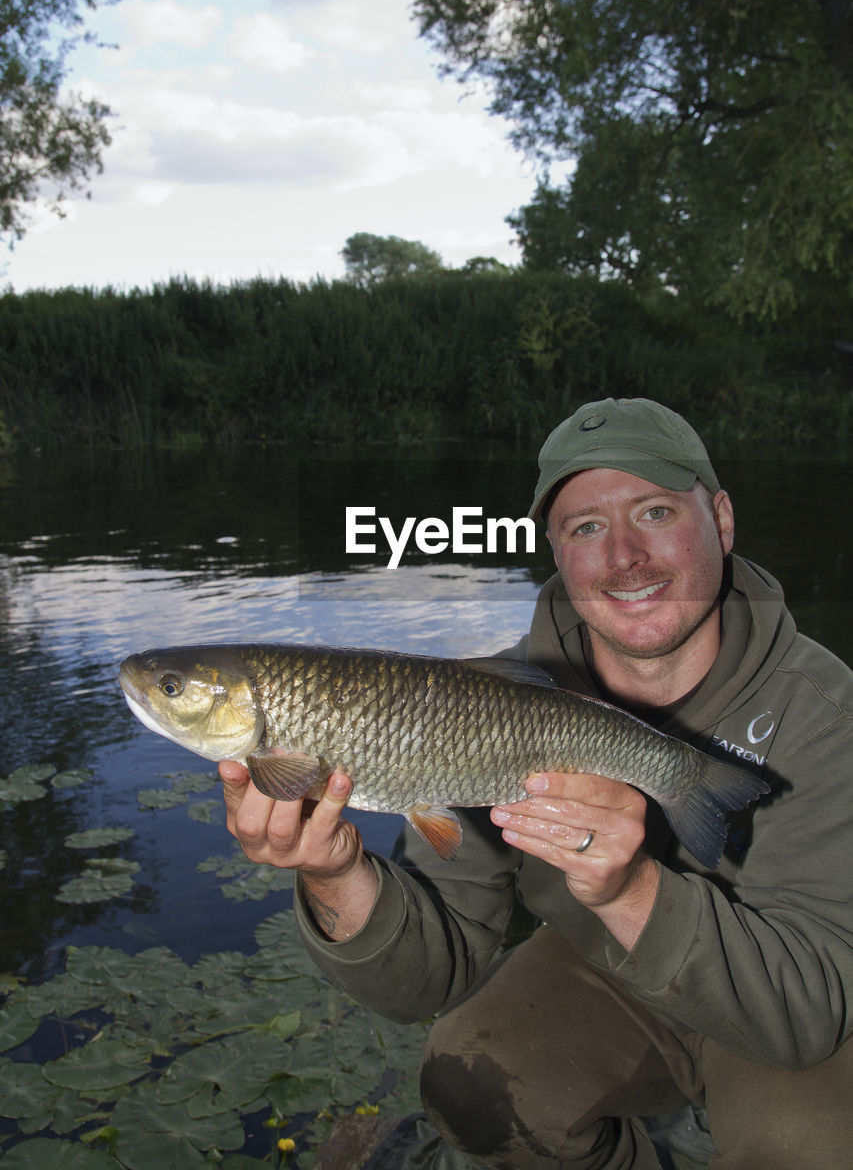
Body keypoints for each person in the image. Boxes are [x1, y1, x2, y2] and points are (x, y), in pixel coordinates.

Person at [219, 397, 853, 1169]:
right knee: (469, 1083)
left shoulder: (826, 712)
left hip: (790, 988)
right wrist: (334, 871)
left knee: (803, 1149)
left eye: (653, 511)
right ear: (555, 551)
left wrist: (629, 890)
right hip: (611, 977)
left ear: (719, 520)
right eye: (586, 527)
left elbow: (806, 1016)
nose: (623, 555)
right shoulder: (483, 704)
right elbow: (428, 975)